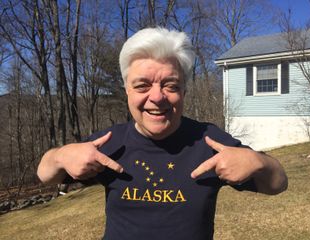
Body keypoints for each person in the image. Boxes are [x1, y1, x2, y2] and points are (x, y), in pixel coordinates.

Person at [37, 27, 288, 240]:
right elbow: (45, 175)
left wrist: (259, 163)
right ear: (127, 90)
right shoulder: (109, 143)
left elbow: (278, 184)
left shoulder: (209, 142)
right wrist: (60, 156)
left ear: (184, 92)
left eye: (170, 85)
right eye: (142, 85)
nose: (156, 97)